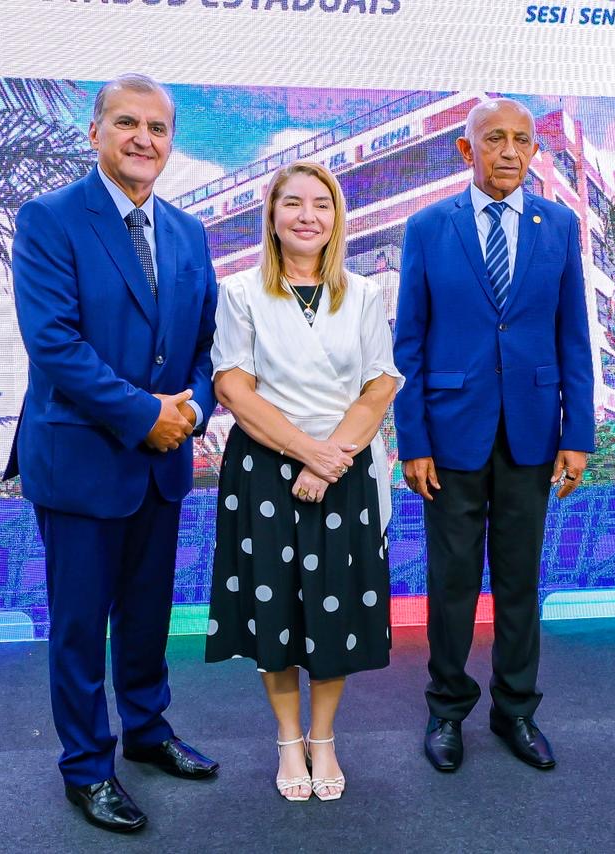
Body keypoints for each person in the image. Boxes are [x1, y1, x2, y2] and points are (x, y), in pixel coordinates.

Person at [5, 74, 219, 833]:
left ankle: (150, 732)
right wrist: (144, 417)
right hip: (81, 461)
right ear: (94, 132)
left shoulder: (190, 233)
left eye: (157, 128)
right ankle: (87, 768)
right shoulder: (50, 219)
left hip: (161, 464)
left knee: (146, 616)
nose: (143, 139)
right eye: (126, 123)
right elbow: (54, 344)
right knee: (78, 625)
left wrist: (188, 410)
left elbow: (202, 344)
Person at [393, 98, 595, 774]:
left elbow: (574, 337)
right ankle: (446, 711)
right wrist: (412, 442)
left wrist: (580, 432)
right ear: (466, 149)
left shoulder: (559, 224)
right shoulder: (427, 227)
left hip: (534, 434)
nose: (511, 151)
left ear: (535, 151)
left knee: (518, 583)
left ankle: (516, 711)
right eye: (496, 139)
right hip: (449, 438)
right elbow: (410, 343)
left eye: (523, 140)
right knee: (451, 584)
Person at [205, 161, 401, 802]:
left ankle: (324, 738)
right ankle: (288, 740)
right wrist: (305, 454)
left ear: (337, 217)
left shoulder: (364, 293)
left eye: (321, 204)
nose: (307, 215)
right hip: (265, 468)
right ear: (272, 214)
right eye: (293, 203)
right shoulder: (240, 292)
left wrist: (333, 457)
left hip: (344, 465)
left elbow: (380, 384)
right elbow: (233, 384)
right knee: (277, 610)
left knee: (333, 608)